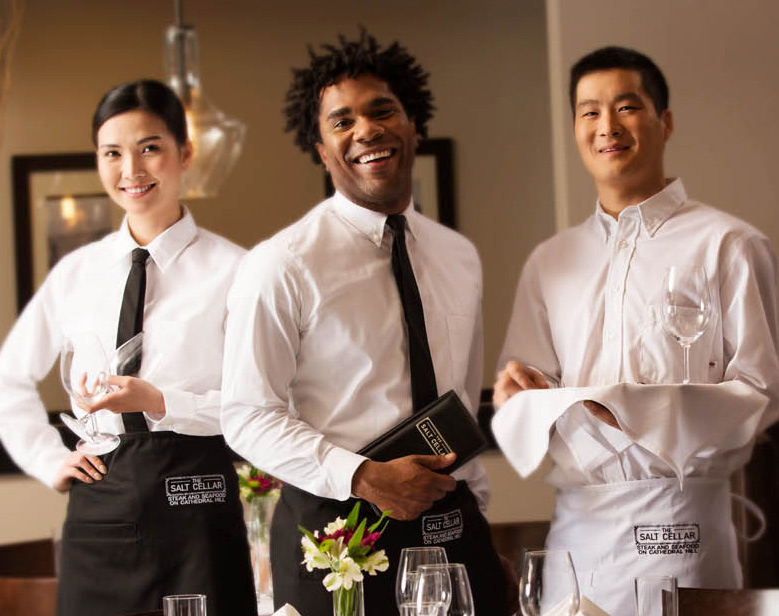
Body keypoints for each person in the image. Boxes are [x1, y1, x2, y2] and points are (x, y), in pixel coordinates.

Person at [221, 30, 510, 616]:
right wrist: (363, 478)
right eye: (341, 121)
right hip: (336, 535)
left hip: (454, 530)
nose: (366, 131)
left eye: (383, 111)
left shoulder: (460, 257)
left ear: (413, 126)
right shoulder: (281, 264)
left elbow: (457, 408)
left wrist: (479, 520)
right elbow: (247, 414)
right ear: (321, 149)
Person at [492, 45, 779, 616]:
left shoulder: (730, 245)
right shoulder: (549, 261)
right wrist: (514, 399)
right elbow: (525, 392)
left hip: (685, 528)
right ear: (576, 128)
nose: (606, 126)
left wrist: (637, 408)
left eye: (626, 106)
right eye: (589, 111)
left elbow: (763, 392)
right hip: (579, 538)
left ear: (664, 121)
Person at [0, 79, 256, 616]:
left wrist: (161, 401)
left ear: (184, 154)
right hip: (100, 516)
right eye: (112, 153)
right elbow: (9, 375)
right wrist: (48, 459)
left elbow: (259, 403)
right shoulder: (77, 274)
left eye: (150, 149)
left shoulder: (237, 271)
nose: (131, 171)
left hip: (198, 506)